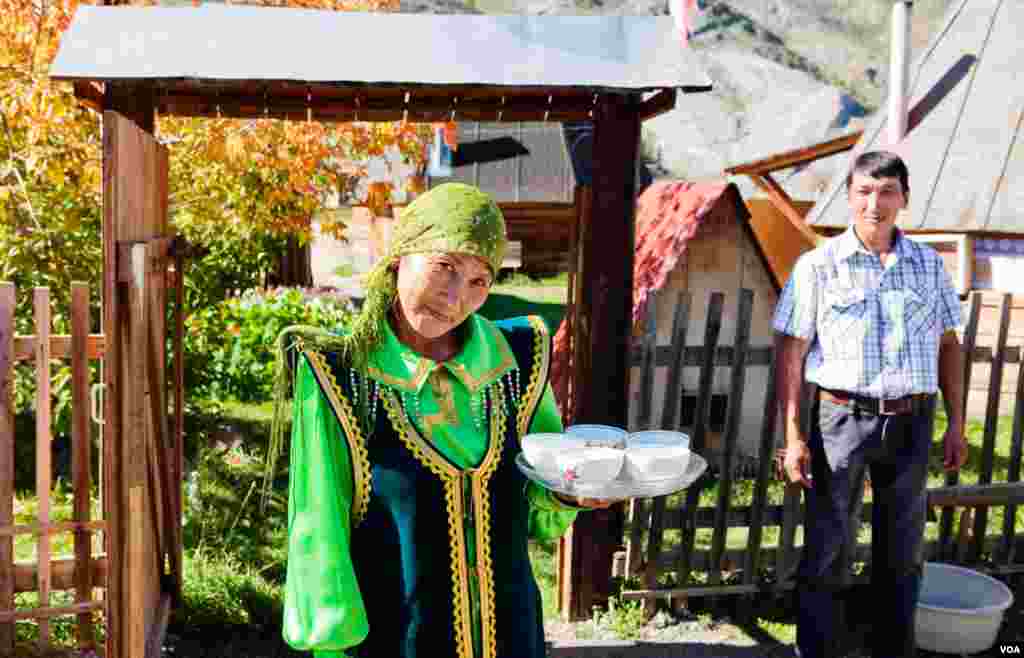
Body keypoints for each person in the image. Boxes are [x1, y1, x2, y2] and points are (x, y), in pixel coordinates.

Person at [264, 182, 608, 658]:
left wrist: (571, 489)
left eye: (478, 281)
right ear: (399, 255)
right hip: (395, 642)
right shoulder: (338, 375)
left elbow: (542, 499)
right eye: (444, 266)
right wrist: (329, 645)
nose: (453, 296)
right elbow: (317, 531)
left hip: (512, 640)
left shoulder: (518, 364)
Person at [772, 151, 969, 658]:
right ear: (849, 197)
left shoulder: (929, 265)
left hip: (911, 421)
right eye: (863, 191)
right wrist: (793, 436)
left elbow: (949, 344)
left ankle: (891, 650)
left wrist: (956, 424)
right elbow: (792, 350)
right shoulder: (819, 265)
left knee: (902, 552)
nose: (874, 203)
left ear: (903, 198)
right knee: (830, 546)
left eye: (886, 192)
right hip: (840, 418)